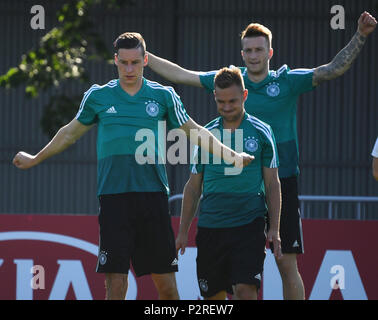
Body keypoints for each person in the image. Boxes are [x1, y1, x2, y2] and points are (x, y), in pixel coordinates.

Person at [147, 11, 377, 300]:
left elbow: (332, 69)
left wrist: (361, 35)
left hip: (280, 181)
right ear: (241, 54)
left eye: (259, 50)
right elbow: (181, 74)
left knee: (285, 262)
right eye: (248, 50)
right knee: (233, 281)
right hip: (240, 189)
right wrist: (146, 56)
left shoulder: (288, 81)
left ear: (270, 52)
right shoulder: (232, 83)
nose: (253, 55)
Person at [12, 32, 254, 300]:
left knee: (167, 287)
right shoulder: (98, 97)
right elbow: (69, 133)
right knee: (116, 284)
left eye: (135, 63)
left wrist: (231, 155)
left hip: (152, 198)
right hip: (114, 199)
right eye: (124, 62)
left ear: (145, 60)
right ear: (115, 60)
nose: (129, 69)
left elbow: (195, 131)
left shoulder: (163, 96)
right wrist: (36, 158)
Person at [176, 67, 282, 300]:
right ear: (214, 97)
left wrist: (274, 228)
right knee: (214, 298)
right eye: (220, 101)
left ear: (244, 95)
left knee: (245, 291)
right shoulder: (205, 135)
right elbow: (193, 187)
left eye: (232, 101)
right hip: (211, 227)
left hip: (249, 225)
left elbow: (272, 183)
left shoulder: (262, 131)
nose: (226, 107)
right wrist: (182, 231)